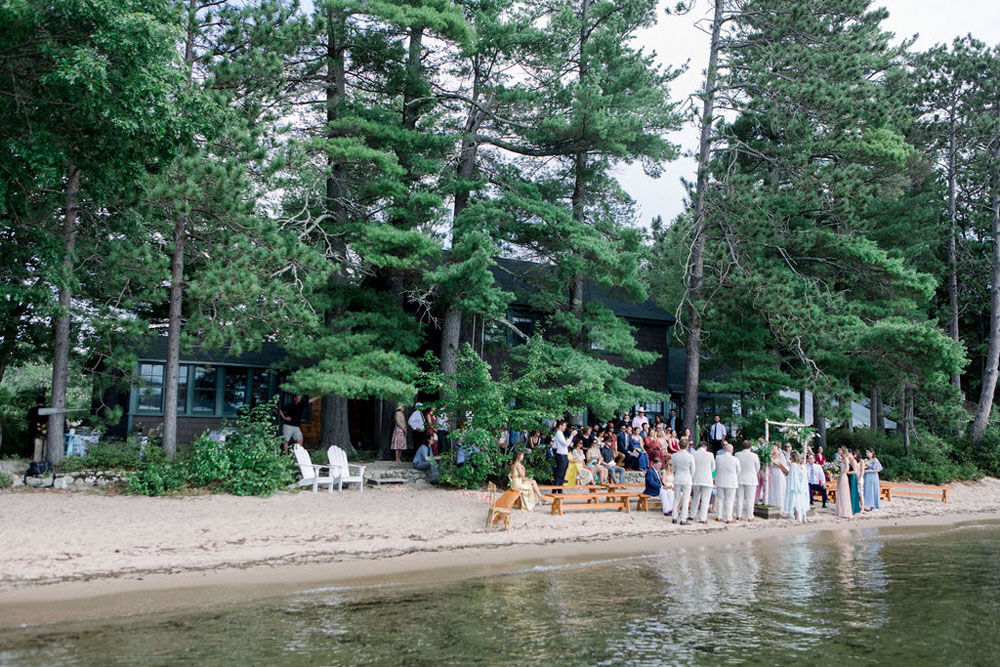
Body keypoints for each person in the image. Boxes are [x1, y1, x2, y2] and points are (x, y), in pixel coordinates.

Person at [689, 442, 716, 524]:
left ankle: (692, 515)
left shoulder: (693, 454)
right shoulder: (710, 455)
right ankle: (702, 517)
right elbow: (713, 467)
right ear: (705, 447)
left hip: (696, 478)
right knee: (705, 499)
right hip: (707, 479)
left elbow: (691, 466)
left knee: (695, 497)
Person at [715, 442, 742, 524]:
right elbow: (739, 470)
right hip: (731, 481)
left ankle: (719, 516)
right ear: (732, 450)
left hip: (720, 480)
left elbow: (716, 468)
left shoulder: (718, 458)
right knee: (730, 500)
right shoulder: (735, 459)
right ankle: (728, 517)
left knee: (720, 499)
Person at [735, 441, 760, 521]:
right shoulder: (754, 455)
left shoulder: (737, 454)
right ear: (750, 446)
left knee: (740, 498)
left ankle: (739, 515)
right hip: (751, 478)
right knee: (750, 498)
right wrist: (754, 472)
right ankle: (750, 516)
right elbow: (757, 467)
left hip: (740, 477)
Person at [671, 444, 695, 525]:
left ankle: (674, 517)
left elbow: (673, 468)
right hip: (686, 478)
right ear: (687, 446)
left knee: (676, 498)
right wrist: (690, 476)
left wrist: (676, 473)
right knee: (686, 499)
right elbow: (693, 469)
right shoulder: (690, 456)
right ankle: (683, 518)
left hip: (678, 477)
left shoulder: (674, 456)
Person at [785, 451, 809, 522]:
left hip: (795, 487)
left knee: (794, 502)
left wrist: (786, 472)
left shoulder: (793, 465)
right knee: (800, 502)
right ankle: (801, 517)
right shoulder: (803, 466)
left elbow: (792, 477)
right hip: (802, 488)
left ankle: (797, 517)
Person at [551, 420, 575, 491]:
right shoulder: (559, 433)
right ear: (560, 426)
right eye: (564, 425)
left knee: (563, 474)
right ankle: (555, 491)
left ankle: (560, 490)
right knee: (559, 474)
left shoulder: (560, 434)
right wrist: (572, 436)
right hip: (561, 455)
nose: (565, 427)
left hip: (564, 455)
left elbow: (555, 445)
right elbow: (565, 444)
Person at [768, 444, 788, 509]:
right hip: (772, 473)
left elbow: (784, 466)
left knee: (779, 488)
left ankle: (781, 505)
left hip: (779, 473)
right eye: (772, 447)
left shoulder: (781, 455)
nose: (773, 449)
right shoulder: (770, 456)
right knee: (772, 489)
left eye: (774, 447)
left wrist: (775, 462)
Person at [835, 447, 853, 519]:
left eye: (840, 451)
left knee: (844, 493)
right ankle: (840, 511)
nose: (839, 452)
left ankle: (845, 511)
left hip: (843, 476)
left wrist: (841, 473)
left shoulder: (846, 459)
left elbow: (847, 468)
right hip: (840, 476)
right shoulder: (841, 459)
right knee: (840, 493)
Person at [848, 449, 862, 515]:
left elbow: (855, 471)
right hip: (849, 477)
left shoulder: (853, 461)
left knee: (853, 492)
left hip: (853, 477)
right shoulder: (849, 460)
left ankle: (853, 508)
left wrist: (847, 472)